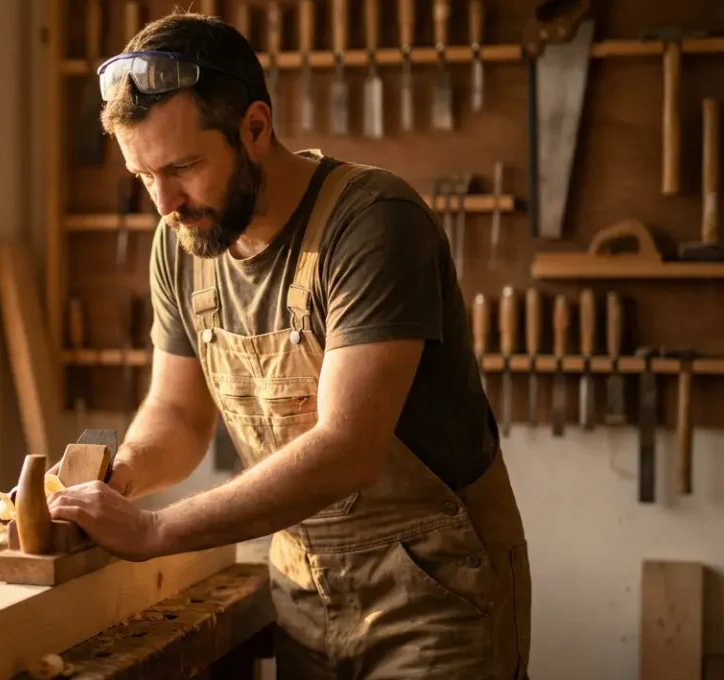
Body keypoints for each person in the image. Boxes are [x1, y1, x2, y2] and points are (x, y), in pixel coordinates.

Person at [44, 11, 531, 679]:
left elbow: (347, 451)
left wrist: (155, 532)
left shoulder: (373, 222)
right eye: (142, 175)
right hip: (305, 585)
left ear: (254, 129)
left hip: (435, 586)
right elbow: (180, 416)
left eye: (182, 167)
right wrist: (123, 478)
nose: (164, 203)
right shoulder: (182, 245)